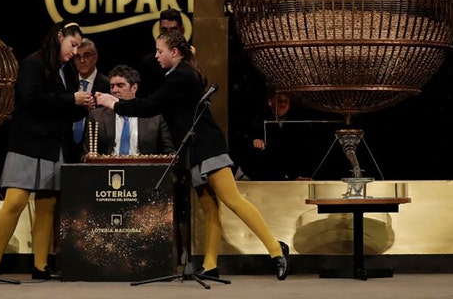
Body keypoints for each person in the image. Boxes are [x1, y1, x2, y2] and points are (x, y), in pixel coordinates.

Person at [95, 29, 290, 280]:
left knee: (232, 200)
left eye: (160, 51)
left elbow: (150, 105)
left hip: (208, 146)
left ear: (174, 52)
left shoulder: (181, 76)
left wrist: (115, 104)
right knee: (210, 208)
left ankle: (277, 251)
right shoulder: (179, 73)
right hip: (195, 149)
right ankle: (210, 266)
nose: (156, 55)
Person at [0, 21, 95, 280]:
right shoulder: (32, 63)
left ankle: (40, 266)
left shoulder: (68, 71)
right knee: (15, 202)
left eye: (78, 47)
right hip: (29, 143)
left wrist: (82, 104)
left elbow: (64, 106)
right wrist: (70, 99)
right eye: (72, 45)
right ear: (59, 36)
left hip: (55, 146)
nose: (75, 52)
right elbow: (32, 100)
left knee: (47, 204)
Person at [82, 64, 175, 157]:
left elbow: (170, 154)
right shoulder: (97, 116)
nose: (114, 90)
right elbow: (86, 155)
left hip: (143, 169)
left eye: (120, 85)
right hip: (108, 169)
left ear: (134, 88)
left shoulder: (155, 117)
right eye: (112, 86)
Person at [234, 90, 312, 181]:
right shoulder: (259, 118)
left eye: (286, 101)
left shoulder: (293, 122)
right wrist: (255, 140)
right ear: (270, 101)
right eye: (279, 100)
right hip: (251, 176)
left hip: (277, 177)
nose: (283, 104)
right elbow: (249, 137)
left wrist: (294, 176)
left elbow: (291, 153)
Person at [71, 38, 110, 152]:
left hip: (96, 147)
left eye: (86, 55)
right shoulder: (68, 83)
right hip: (67, 146)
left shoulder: (107, 85)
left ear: (95, 57)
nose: (82, 60)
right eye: (77, 57)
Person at [136, 8, 185, 98]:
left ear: (182, 30)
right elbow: (144, 98)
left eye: (173, 30)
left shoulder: (191, 59)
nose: (169, 35)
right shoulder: (148, 63)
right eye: (164, 30)